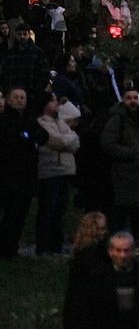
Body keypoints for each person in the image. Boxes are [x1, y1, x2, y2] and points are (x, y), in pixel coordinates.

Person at [102, 84, 139, 242]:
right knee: (120, 217)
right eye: (129, 98)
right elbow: (108, 144)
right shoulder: (117, 119)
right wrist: (131, 153)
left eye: (135, 97)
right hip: (124, 177)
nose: (133, 101)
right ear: (123, 100)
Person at [35, 93, 80, 256]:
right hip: (50, 170)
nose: (56, 103)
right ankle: (43, 246)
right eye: (53, 101)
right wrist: (66, 140)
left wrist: (65, 140)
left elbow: (75, 141)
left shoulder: (60, 122)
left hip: (65, 170)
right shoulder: (41, 123)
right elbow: (57, 141)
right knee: (48, 209)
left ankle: (56, 245)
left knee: (60, 210)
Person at [0, 86, 39, 257]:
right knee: (11, 213)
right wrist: (26, 136)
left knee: (20, 213)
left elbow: (41, 135)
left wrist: (27, 136)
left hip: (26, 174)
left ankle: (12, 247)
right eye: (16, 97)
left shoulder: (29, 119)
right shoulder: (5, 120)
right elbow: (13, 138)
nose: (19, 100)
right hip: (9, 174)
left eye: (22, 97)